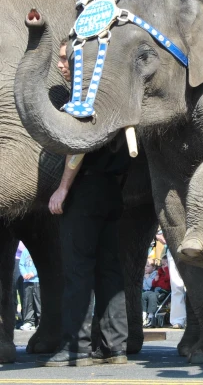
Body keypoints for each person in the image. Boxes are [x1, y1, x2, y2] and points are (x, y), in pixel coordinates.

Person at [37, 39, 130, 367]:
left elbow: (78, 145)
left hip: (85, 190)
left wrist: (62, 188)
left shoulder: (82, 97)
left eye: (66, 59)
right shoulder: (113, 94)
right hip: (111, 190)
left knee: (77, 271)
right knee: (109, 270)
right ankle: (112, 346)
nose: (61, 66)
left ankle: (74, 348)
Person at [154, 230, 186, 329]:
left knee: (194, 286)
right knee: (176, 285)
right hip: (173, 247)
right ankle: (178, 320)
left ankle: (196, 320)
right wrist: (157, 234)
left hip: (193, 245)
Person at [19, 248, 40, 331]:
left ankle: (40, 321)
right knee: (28, 302)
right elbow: (21, 264)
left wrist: (33, 273)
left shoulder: (39, 250)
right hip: (27, 281)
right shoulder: (25, 251)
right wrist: (24, 274)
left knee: (39, 302)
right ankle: (28, 321)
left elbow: (41, 264)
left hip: (37, 280)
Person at [141, 260, 159, 328]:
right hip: (145, 291)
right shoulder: (144, 274)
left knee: (147, 295)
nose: (145, 267)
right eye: (144, 266)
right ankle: (143, 314)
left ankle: (149, 317)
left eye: (148, 266)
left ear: (153, 268)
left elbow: (151, 285)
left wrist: (147, 277)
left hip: (152, 291)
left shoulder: (155, 273)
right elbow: (144, 286)